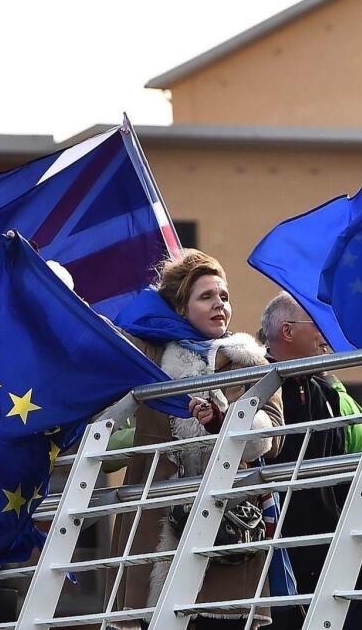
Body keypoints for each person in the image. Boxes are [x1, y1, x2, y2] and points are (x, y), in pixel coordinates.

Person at [108, 249, 284, 630]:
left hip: (226, 525)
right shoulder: (150, 353)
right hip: (154, 519)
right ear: (181, 308)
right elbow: (98, 352)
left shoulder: (253, 363)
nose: (220, 304)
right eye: (206, 296)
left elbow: (274, 435)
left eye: (224, 296)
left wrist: (225, 421)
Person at [259, 291, 362, 629]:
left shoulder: (326, 390)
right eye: (316, 322)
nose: (325, 333)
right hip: (284, 563)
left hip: (341, 555)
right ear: (287, 331)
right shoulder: (253, 387)